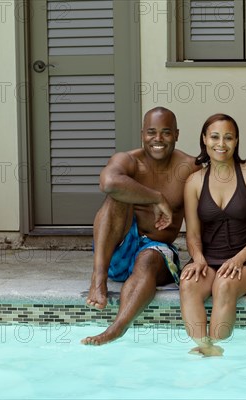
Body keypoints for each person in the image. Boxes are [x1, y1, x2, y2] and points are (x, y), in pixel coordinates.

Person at [82, 107, 199, 345]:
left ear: (177, 134)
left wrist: (198, 259)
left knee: (148, 258)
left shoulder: (189, 167)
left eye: (166, 133)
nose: (158, 139)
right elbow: (109, 182)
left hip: (157, 254)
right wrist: (157, 197)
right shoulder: (128, 160)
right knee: (117, 195)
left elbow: (200, 218)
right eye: (151, 132)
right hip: (119, 250)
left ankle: (116, 328)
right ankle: (98, 278)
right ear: (142, 134)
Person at [180, 114, 246, 356]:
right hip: (207, 258)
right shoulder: (194, 182)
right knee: (187, 285)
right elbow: (193, 234)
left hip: (245, 259)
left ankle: (219, 348)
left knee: (225, 284)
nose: (221, 143)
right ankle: (204, 347)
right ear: (204, 140)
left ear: (236, 141)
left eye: (228, 137)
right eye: (215, 137)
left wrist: (239, 259)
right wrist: (197, 259)